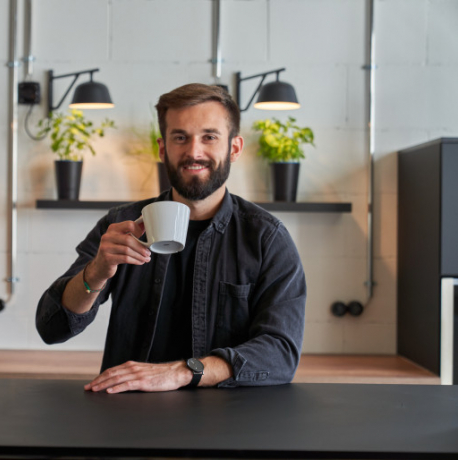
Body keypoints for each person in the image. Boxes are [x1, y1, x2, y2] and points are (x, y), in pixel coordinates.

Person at [36, 83, 306, 393]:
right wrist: (96, 272)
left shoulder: (266, 238)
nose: (194, 151)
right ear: (163, 148)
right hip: (129, 416)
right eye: (181, 138)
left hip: (229, 422)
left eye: (209, 137)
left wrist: (182, 372)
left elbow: (281, 354)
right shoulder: (119, 225)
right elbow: (52, 328)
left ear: (234, 148)